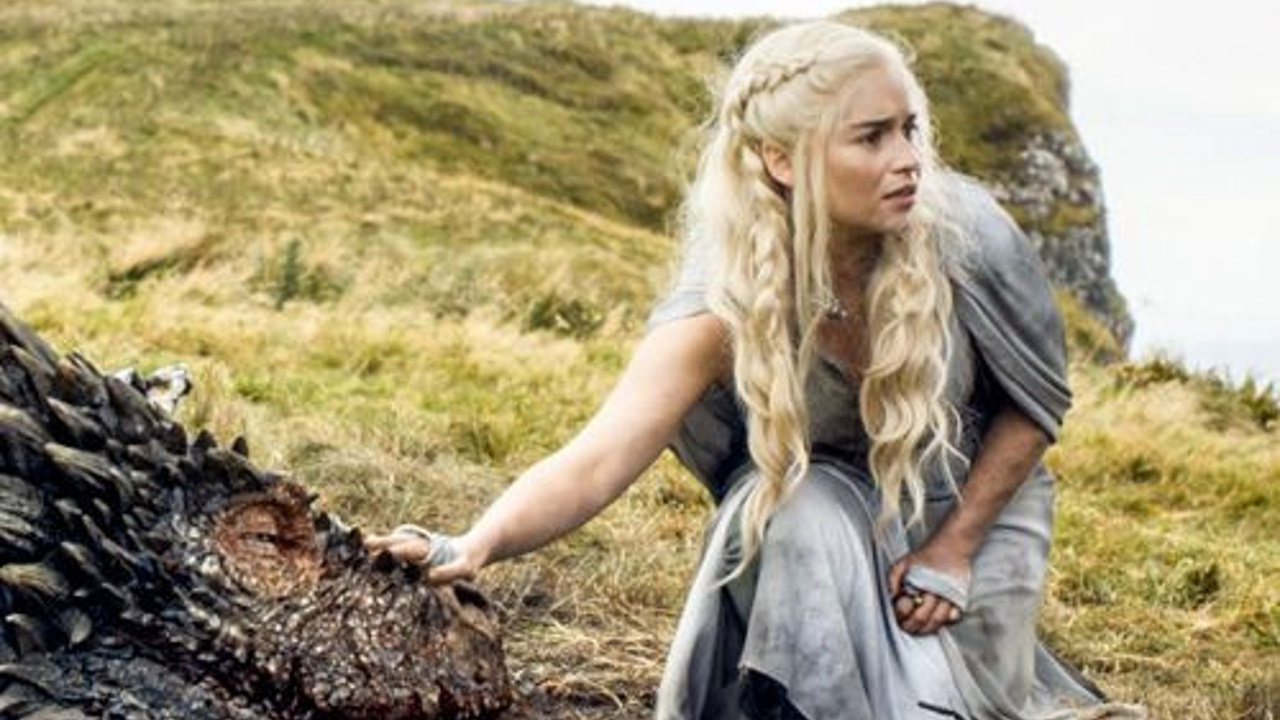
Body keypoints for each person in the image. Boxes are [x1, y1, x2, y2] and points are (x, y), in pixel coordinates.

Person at [368, 19, 1146, 720]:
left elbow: (1036, 406)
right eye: (871, 138)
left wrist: (953, 552)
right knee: (790, 510)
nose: (909, 160)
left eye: (909, 129)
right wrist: (474, 543)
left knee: (980, 699)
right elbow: (599, 458)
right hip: (827, 510)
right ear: (781, 160)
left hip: (971, 497)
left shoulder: (968, 235)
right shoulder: (723, 301)